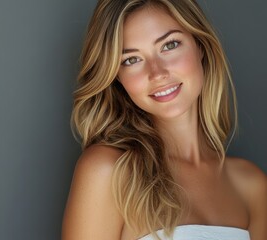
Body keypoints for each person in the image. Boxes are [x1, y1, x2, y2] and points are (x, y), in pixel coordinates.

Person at [62, 0, 267, 239]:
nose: (157, 73)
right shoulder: (108, 172)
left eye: (169, 45)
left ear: (200, 45)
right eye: (131, 60)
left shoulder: (251, 185)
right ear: (116, 76)